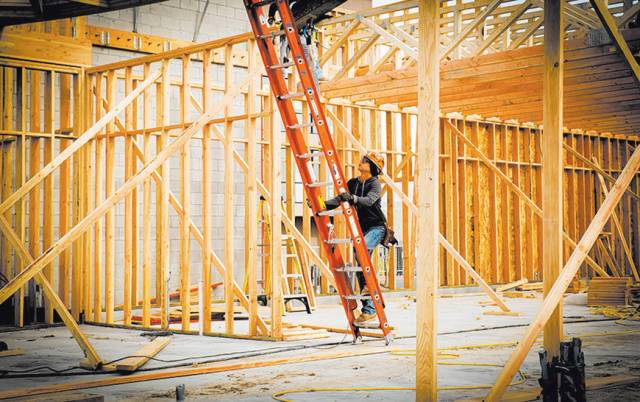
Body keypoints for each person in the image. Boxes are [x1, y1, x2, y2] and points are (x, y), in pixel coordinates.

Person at [324, 152, 386, 325]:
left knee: (362, 251)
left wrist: (353, 198)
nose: (362, 161)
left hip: (377, 227)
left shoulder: (375, 184)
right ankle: (369, 309)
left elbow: (369, 201)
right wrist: (322, 204)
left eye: (366, 161)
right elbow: (339, 199)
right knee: (361, 267)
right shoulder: (353, 183)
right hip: (362, 229)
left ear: (373, 168)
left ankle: (372, 286)